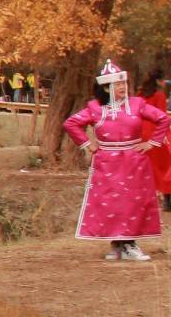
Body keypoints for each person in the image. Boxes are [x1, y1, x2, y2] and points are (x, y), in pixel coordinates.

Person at [64, 60, 171, 260]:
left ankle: (130, 244)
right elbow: (71, 124)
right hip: (106, 162)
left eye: (124, 83)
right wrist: (88, 144)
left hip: (134, 161)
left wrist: (152, 143)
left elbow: (163, 119)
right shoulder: (95, 108)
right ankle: (117, 243)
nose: (123, 87)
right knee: (111, 203)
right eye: (117, 84)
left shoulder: (137, 104)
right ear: (106, 87)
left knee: (132, 203)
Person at [146, 74, 171, 212]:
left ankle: (148, 199)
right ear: (157, 81)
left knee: (148, 167)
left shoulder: (139, 95)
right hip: (157, 133)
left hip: (141, 134)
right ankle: (167, 202)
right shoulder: (159, 95)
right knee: (165, 166)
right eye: (162, 80)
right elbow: (162, 116)